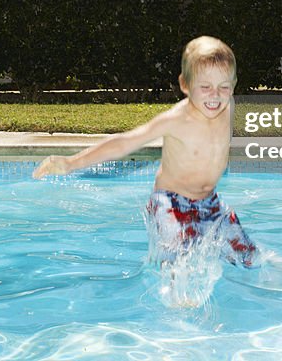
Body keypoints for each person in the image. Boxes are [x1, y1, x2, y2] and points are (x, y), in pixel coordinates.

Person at [33, 36, 257, 267]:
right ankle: (175, 298)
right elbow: (124, 143)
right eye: (205, 87)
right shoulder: (177, 120)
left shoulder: (229, 109)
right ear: (185, 85)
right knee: (176, 259)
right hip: (171, 201)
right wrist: (71, 163)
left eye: (224, 87)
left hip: (210, 202)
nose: (215, 95)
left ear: (234, 85)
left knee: (251, 259)